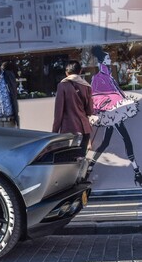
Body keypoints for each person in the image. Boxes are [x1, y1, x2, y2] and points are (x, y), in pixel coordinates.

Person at [86, 45, 142, 185]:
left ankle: (90, 167)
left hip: (113, 112)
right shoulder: (99, 77)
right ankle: (136, 171)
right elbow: (96, 96)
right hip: (111, 113)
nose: (110, 59)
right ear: (102, 61)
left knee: (106, 142)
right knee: (125, 138)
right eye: (108, 58)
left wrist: (123, 100)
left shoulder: (108, 75)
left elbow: (116, 91)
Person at [52, 60, 93, 153]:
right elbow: (90, 111)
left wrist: (54, 132)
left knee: (68, 161)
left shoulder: (62, 85)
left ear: (67, 73)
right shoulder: (87, 86)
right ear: (80, 71)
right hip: (84, 130)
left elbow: (58, 113)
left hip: (69, 131)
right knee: (80, 160)